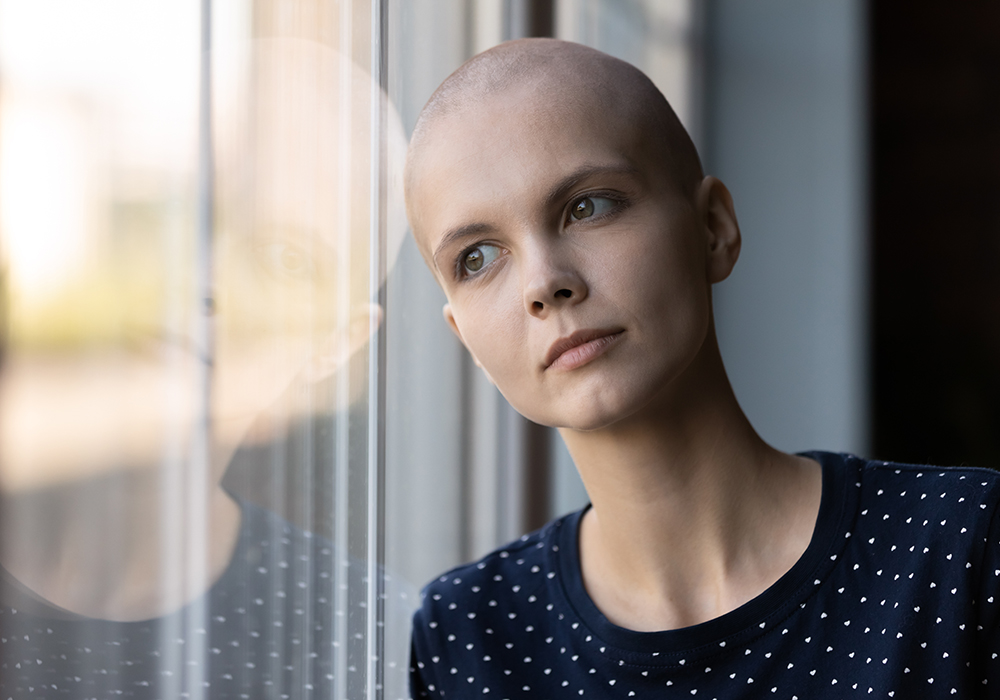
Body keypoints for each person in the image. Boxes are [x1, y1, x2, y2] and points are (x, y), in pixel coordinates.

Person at [404, 38, 1000, 698]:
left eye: (588, 206)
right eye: (479, 258)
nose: (544, 284)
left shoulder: (964, 546)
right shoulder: (468, 637)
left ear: (713, 228)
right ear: (462, 334)